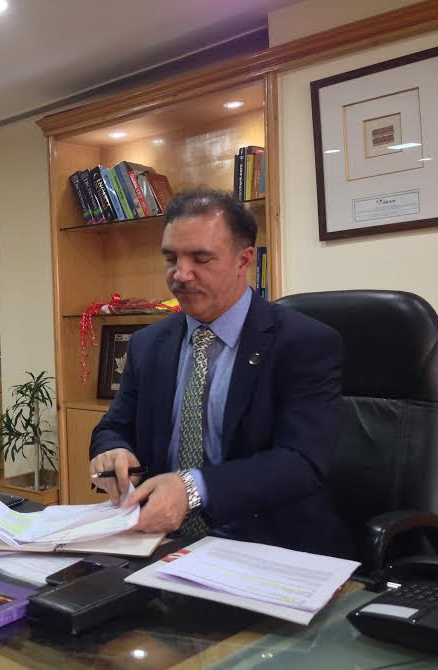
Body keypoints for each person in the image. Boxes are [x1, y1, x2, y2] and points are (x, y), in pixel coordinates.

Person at [88, 186, 353, 558]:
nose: (181, 274)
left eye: (201, 258)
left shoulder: (303, 342)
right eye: (171, 258)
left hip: (267, 546)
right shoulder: (149, 344)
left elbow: (301, 462)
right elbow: (114, 427)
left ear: (244, 260)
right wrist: (112, 450)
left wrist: (193, 488)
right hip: (159, 542)